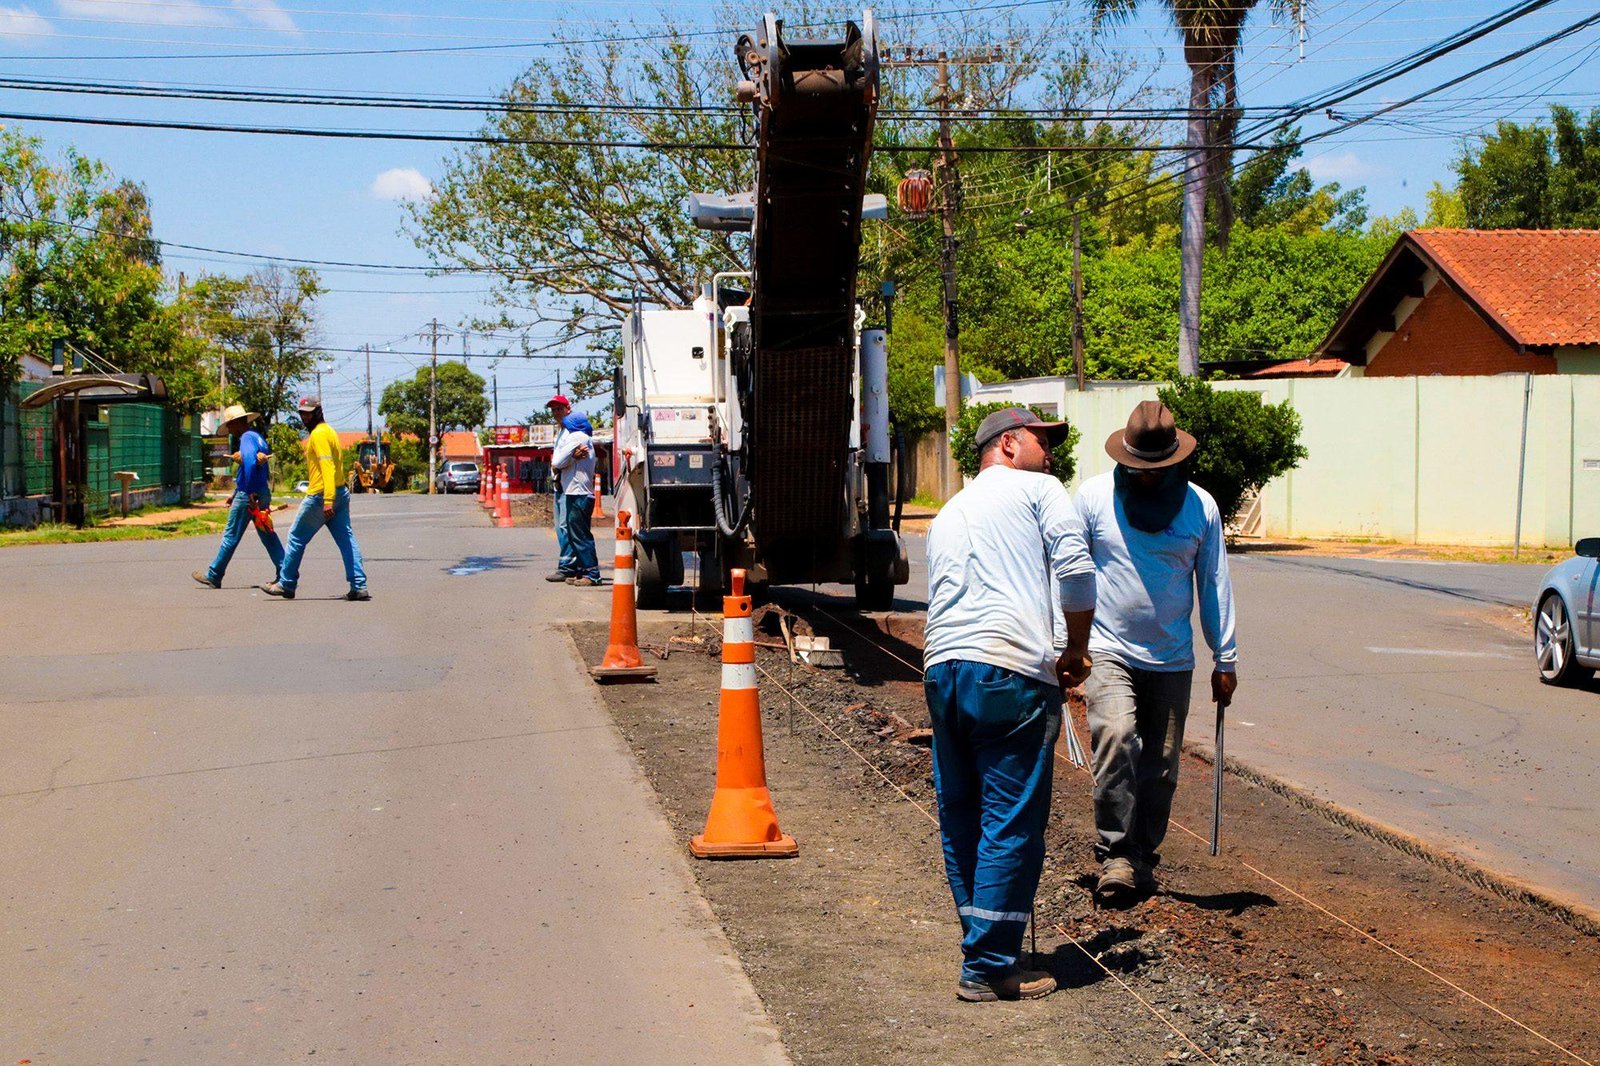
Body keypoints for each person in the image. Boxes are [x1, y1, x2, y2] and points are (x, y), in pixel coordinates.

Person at [923, 407, 1096, 1003]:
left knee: (963, 815)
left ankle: (980, 943)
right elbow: (1076, 573)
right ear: (1011, 444)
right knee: (1009, 819)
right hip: (1009, 672)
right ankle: (991, 967)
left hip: (943, 669)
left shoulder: (949, 511)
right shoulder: (1041, 489)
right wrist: (1075, 648)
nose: (1052, 455)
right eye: (1044, 443)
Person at [1075, 400, 1237, 903]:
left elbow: (1213, 584)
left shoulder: (1199, 507)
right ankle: (1116, 853)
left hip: (1172, 657)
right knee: (1117, 737)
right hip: (1106, 648)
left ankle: (1143, 854)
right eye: (1137, 467)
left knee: (1162, 765)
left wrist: (1224, 657)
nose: (1146, 477)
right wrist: (1064, 643)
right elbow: (1069, 574)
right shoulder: (1094, 498)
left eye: (1156, 468)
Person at [261, 397, 370, 601]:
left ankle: (286, 583)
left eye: (309, 412)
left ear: (318, 411)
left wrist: (327, 499)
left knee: (295, 536)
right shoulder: (330, 431)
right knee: (346, 539)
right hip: (340, 492)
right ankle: (359, 585)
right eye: (302, 412)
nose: (305, 416)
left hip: (322, 495)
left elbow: (327, 467)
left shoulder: (319, 435)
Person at [193, 404, 284, 589]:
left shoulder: (246, 439)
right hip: (262, 492)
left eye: (231, 426)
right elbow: (252, 466)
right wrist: (235, 493)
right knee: (268, 534)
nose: (231, 430)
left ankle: (214, 574)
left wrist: (247, 493)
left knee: (231, 535)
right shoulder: (259, 438)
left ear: (237, 423)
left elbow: (249, 464)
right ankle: (285, 572)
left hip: (249, 495)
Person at [551, 410, 601, 587]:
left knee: (580, 536)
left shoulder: (577, 437)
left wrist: (567, 459)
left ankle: (592, 573)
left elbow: (557, 461)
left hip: (578, 493)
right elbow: (563, 462)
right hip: (576, 492)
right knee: (575, 534)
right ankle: (582, 571)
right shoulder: (583, 437)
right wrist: (572, 458)